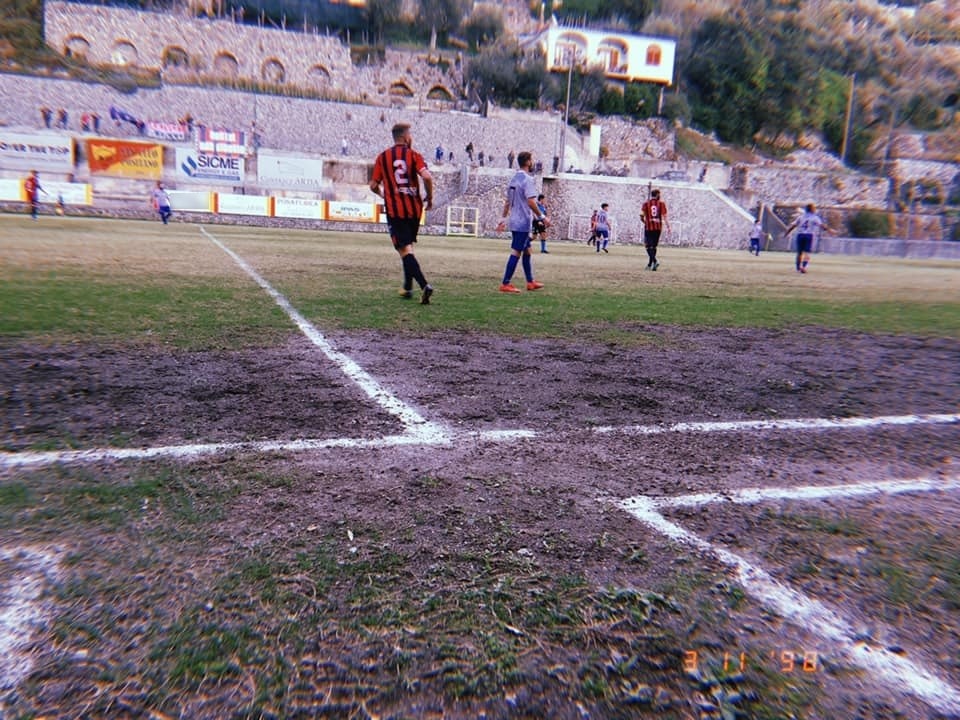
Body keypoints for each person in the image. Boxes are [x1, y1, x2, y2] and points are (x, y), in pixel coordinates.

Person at [369, 123, 435, 304]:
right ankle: (407, 287)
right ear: (406, 137)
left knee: (405, 250)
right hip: (414, 210)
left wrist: (384, 194)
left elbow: (373, 185)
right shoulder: (414, 156)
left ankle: (424, 285)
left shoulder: (383, 157)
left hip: (395, 211)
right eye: (410, 135)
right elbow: (427, 176)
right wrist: (429, 197)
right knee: (407, 249)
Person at [495, 151, 548, 293]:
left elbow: (507, 202)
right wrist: (542, 217)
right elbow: (531, 201)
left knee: (527, 250)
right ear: (528, 162)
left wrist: (503, 219)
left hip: (514, 220)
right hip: (522, 222)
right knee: (517, 252)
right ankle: (505, 283)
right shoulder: (527, 180)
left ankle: (530, 282)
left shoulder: (514, 179)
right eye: (532, 160)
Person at [783, 203, 830, 274]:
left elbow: (793, 225)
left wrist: (787, 233)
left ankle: (798, 268)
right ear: (812, 209)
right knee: (807, 253)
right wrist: (829, 230)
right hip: (808, 235)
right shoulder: (815, 217)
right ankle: (804, 267)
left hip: (800, 235)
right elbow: (822, 226)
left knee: (799, 253)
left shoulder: (801, 217)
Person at [640, 188, 669, 270]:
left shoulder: (646, 204)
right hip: (658, 227)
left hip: (649, 227)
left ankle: (654, 261)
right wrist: (668, 226)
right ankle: (650, 264)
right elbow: (665, 216)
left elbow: (641, 216)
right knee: (653, 246)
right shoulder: (661, 204)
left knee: (647, 245)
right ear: (657, 195)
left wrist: (645, 222)